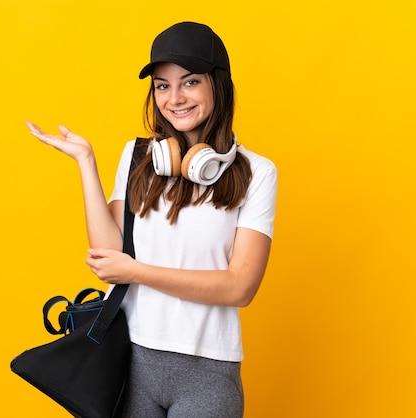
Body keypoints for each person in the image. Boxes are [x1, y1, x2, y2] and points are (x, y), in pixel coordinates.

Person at [26, 21, 277, 418]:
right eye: (162, 85)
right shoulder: (139, 156)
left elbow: (239, 288)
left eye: (189, 82)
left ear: (218, 84)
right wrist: (86, 163)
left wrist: (138, 271)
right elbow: (110, 255)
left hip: (207, 371)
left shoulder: (258, 172)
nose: (174, 98)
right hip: (130, 360)